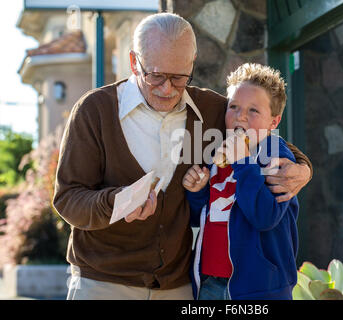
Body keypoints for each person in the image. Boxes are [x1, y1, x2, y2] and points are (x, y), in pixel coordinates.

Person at [53, 13, 312, 300]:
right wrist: (115, 203)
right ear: (133, 62)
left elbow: (262, 134)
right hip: (104, 282)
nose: (167, 89)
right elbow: (67, 198)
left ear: (192, 63)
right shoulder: (94, 111)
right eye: (156, 76)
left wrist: (303, 169)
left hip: (177, 286)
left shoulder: (213, 110)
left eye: (179, 78)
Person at [183, 63, 300, 300]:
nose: (241, 116)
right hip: (210, 283)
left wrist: (244, 163)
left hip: (258, 290)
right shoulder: (220, 155)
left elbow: (265, 216)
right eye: (233, 106)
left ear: (274, 122)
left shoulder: (276, 155)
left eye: (253, 111)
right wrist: (198, 192)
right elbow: (204, 217)